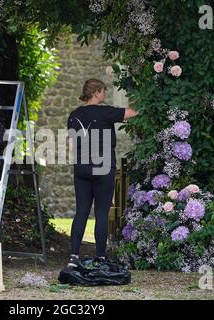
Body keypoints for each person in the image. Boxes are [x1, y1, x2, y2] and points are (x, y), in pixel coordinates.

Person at [66, 78, 139, 268]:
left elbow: (71, 145)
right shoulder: (104, 111)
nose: (104, 95)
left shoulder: (74, 115)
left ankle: (73, 257)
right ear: (97, 92)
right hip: (103, 167)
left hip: (81, 167)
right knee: (101, 213)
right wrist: (140, 101)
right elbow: (132, 113)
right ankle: (99, 257)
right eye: (103, 92)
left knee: (81, 212)